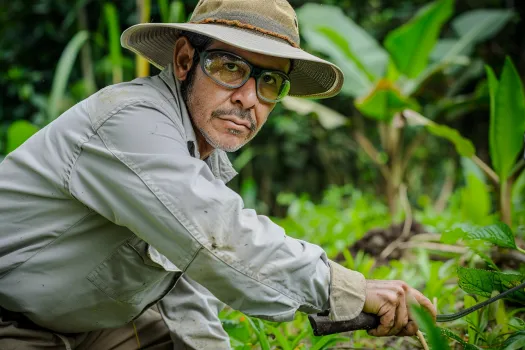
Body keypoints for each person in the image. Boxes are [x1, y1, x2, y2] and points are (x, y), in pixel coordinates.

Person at [0, 0, 436, 348]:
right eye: (231, 68)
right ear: (186, 60)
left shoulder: (199, 159)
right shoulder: (131, 121)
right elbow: (218, 240)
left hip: (90, 330)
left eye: (269, 83)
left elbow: (186, 291)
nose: (249, 98)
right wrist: (350, 291)